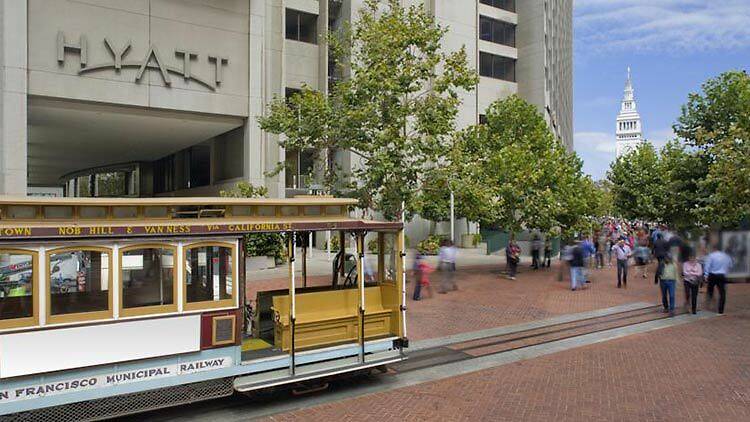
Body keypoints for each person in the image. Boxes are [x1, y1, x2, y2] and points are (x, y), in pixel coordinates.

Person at [704, 245, 733, 314]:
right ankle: (721, 310)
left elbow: (707, 266)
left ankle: (711, 302)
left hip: (712, 275)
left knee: (710, 290)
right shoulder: (726, 256)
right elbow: (730, 265)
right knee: (722, 293)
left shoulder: (711, 255)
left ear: (714, 248)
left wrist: (705, 275)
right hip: (722, 275)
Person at [682, 249, 703, 315]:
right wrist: (694, 272)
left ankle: (694, 309)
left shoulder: (698, 265)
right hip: (687, 281)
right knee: (687, 294)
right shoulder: (685, 264)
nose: (691, 259)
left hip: (695, 281)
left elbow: (700, 273)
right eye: (690, 257)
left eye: (693, 257)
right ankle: (687, 305)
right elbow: (685, 272)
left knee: (694, 296)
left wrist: (690, 272)